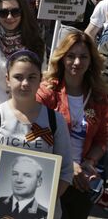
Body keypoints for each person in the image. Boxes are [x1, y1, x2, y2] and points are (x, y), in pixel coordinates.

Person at [0, 50, 73, 218]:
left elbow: (65, 172)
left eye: (32, 77)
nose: (25, 83)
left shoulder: (55, 120)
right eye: (18, 77)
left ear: (40, 79)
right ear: (7, 79)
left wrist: (43, 203)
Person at [36, 31, 108, 219]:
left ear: (91, 60)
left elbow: (102, 138)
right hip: (51, 177)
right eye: (71, 56)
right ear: (62, 58)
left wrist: (90, 162)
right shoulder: (47, 92)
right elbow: (35, 133)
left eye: (83, 57)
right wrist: (68, 164)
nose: (77, 62)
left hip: (82, 182)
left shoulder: (99, 96)